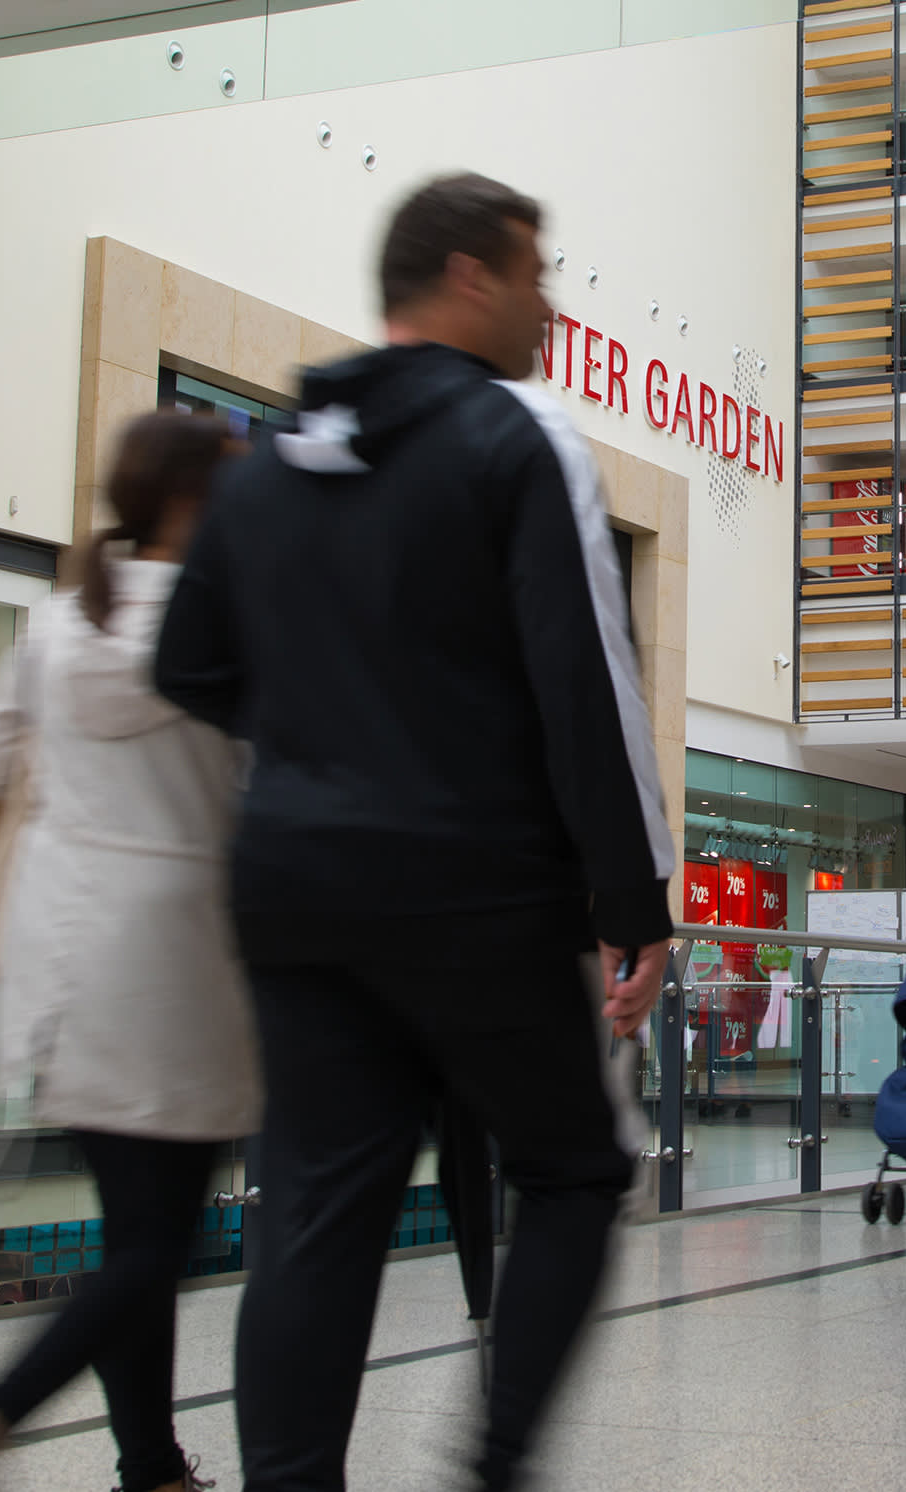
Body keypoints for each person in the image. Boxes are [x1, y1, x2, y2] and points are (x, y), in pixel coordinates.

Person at [151, 172, 674, 1492]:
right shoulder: (514, 436)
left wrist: (322, 737)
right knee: (569, 1170)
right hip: (474, 888)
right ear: (468, 278)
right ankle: (489, 1470)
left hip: (293, 889)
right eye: (537, 273)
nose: (551, 305)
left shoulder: (270, 462)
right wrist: (634, 900)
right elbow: (586, 684)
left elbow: (187, 662)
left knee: (318, 1218)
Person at [0, 411, 261, 1492]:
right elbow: (260, 787)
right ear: (193, 501)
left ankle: (151, 1465)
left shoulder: (56, 626)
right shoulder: (225, 630)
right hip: (177, 949)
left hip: (60, 944)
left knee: (133, 1229)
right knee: (155, 1244)